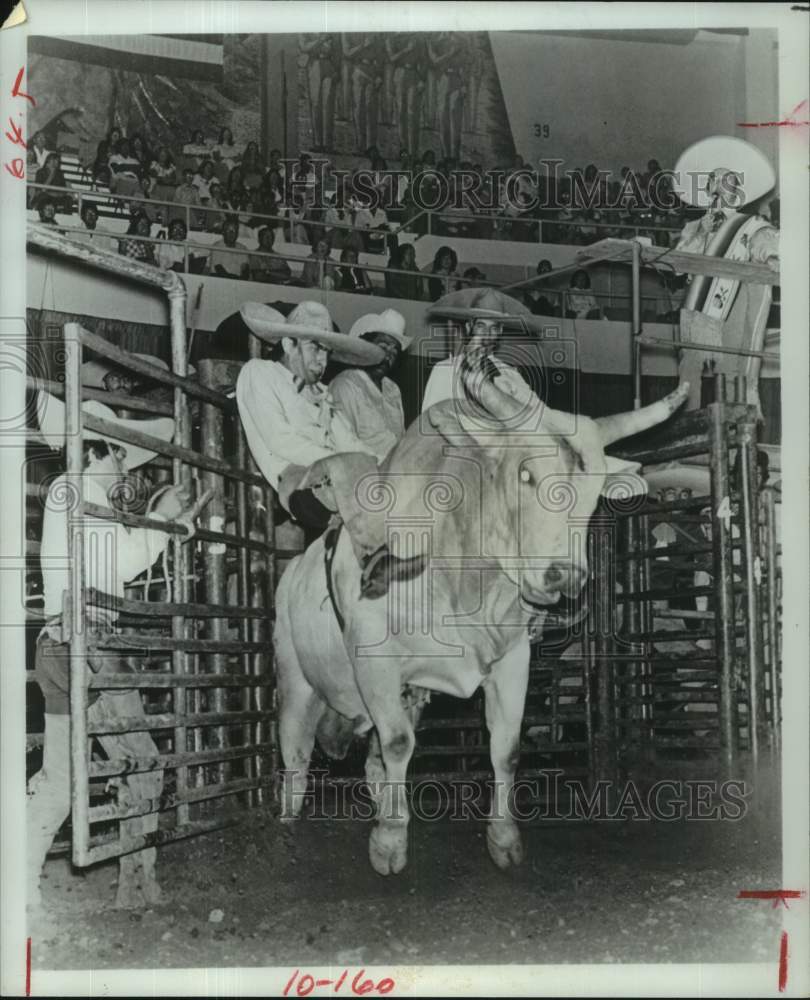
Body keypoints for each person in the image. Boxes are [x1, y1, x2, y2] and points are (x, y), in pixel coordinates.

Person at [28, 391, 206, 911]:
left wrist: (162, 523)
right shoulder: (85, 494)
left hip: (57, 644)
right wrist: (163, 520)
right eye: (120, 453)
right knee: (143, 763)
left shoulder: (66, 493)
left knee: (62, 778)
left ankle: (20, 884)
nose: (125, 463)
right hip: (92, 644)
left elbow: (116, 556)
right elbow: (124, 563)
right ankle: (136, 882)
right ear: (99, 449)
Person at [235, 301, 426, 598]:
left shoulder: (322, 394)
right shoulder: (259, 373)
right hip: (297, 481)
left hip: (338, 477)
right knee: (355, 466)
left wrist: (390, 465)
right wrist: (350, 461)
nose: (322, 358)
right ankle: (374, 557)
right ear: (289, 344)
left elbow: (350, 440)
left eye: (326, 351)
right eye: (314, 347)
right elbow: (280, 440)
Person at [420, 287, 535, 413]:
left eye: (494, 328)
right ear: (469, 327)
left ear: (500, 331)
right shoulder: (445, 369)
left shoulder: (511, 374)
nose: (487, 335)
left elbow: (535, 414)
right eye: (481, 326)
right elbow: (429, 418)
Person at [329, 310, 410, 463]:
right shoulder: (345, 386)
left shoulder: (392, 389)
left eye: (394, 351)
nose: (388, 356)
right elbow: (342, 448)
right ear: (364, 346)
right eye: (383, 346)